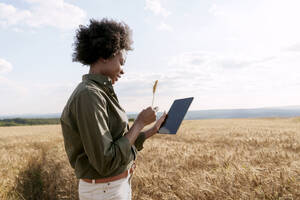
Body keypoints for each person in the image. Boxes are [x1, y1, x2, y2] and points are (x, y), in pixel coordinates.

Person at [60, 18, 167, 200]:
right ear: (104, 55)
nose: (123, 70)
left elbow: (119, 143)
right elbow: (106, 161)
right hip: (104, 192)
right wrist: (139, 122)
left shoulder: (101, 92)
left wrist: (152, 130)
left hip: (112, 188)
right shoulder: (89, 95)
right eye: (121, 62)